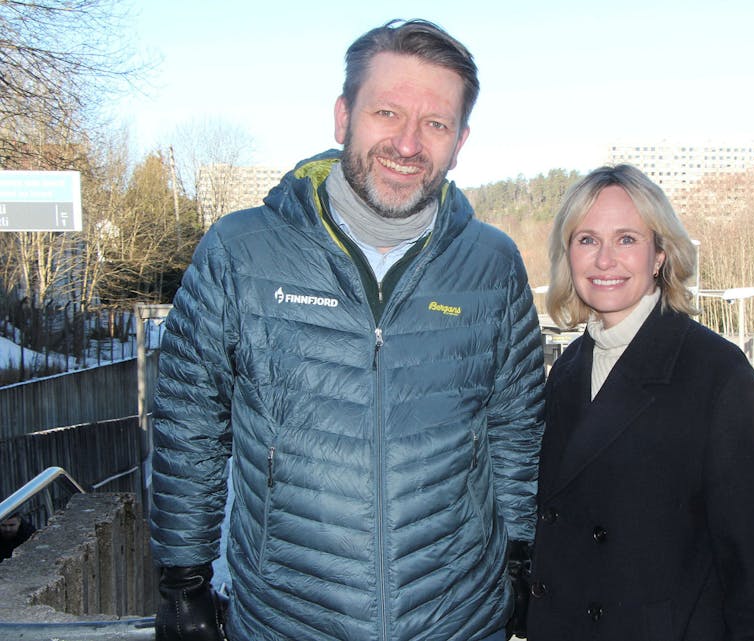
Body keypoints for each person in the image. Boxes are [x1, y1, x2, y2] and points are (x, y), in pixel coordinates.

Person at [149, 19, 545, 641]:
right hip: (287, 618)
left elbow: (515, 424)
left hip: (457, 620)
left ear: (460, 140)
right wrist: (183, 579)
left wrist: (520, 556)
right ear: (343, 117)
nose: (409, 144)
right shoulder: (241, 252)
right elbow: (188, 423)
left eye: (435, 124)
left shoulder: (491, 264)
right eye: (387, 112)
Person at [525, 165, 754, 641]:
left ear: (660, 255)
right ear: (568, 255)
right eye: (587, 240)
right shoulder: (566, 373)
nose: (605, 260)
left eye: (626, 239)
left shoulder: (717, 375)